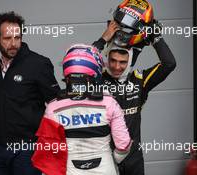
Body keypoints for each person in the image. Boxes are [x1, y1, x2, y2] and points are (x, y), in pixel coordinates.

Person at [92, 1, 177, 174]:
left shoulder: (140, 80)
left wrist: (155, 36)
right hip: (103, 158)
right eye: (113, 60)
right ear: (107, 58)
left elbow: (169, 64)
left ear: (130, 61)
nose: (117, 66)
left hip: (133, 158)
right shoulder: (97, 79)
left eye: (123, 62)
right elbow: (78, 66)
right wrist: (102, 40)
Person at [0, 11, 60, 175]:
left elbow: (57, 106)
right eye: (7, 38)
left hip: (27, 150)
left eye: (17, 37)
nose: (13, 43)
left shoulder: (39, 64)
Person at [31, 44, 132, 175]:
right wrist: (116, 158)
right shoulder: (109, 103)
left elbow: (48, 150)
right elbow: (123, 145)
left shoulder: (53, 107)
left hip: (69, 169)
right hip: (105, 167)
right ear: (95, 72)